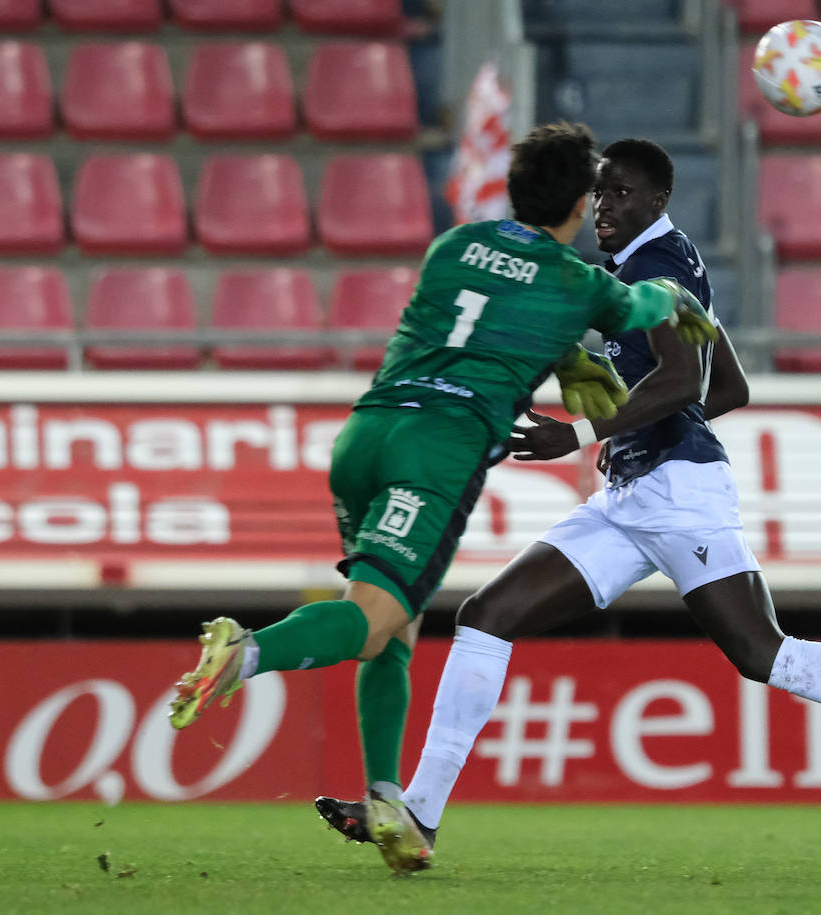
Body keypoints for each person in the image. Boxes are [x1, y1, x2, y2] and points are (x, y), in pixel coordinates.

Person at [321, 138, 821, 875]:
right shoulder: (651, 264)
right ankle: (419, 813)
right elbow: (729, 385)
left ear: (656, 201)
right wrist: (633, 428)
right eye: (601, 194)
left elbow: (684, 379)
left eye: (620, 195)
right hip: (628, 495)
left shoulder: (657, 266)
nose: (605, 208)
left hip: (680, 495)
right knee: (488, 617)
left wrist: (581, 432)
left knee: (763, 654)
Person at [165, 118, 716, 797]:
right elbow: (639, 305)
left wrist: (562, 353)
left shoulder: (454, 245)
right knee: (372, 621)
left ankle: (386, 798)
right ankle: (246, 651)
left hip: (365, 436)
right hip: (437, 451)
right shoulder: (579, 283)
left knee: (393, 619)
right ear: (579, 206)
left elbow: (482, 320)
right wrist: (676, 298)